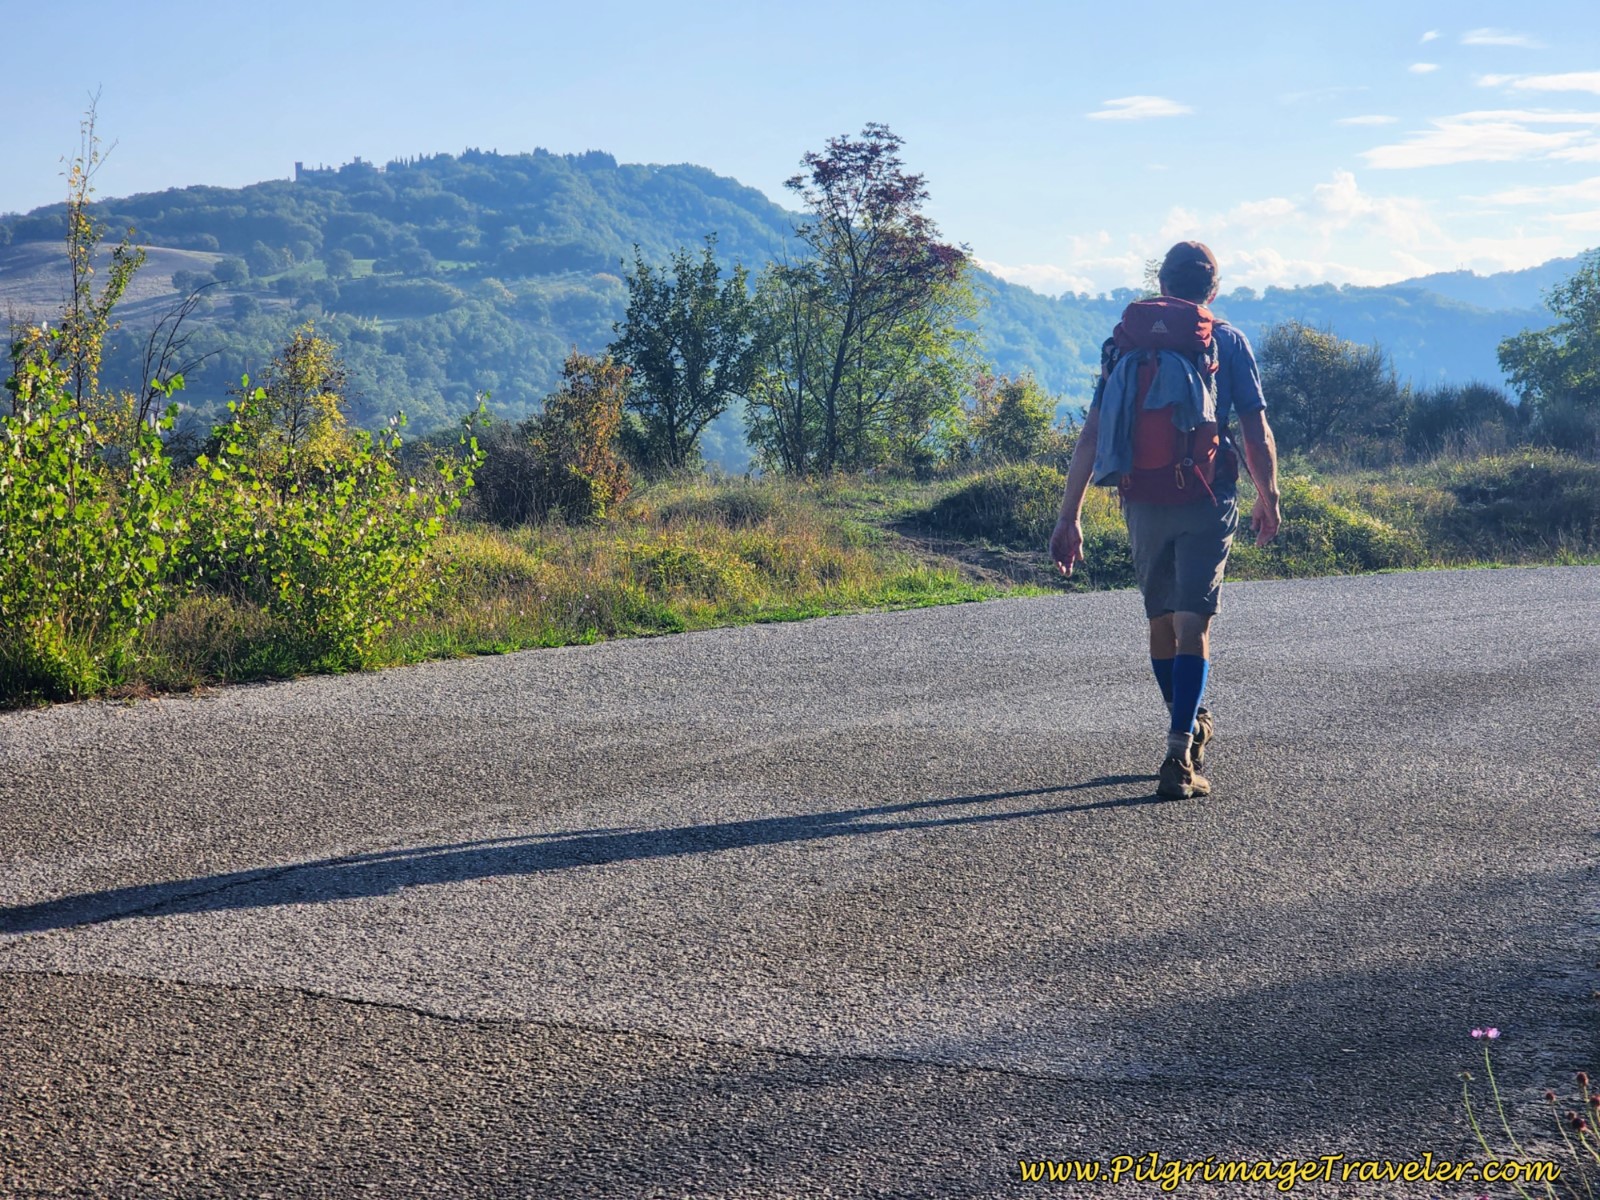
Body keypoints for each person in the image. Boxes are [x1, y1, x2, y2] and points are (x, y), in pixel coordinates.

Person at [1049, 241, 1281, 799]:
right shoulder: (1227, 340)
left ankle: (1189, 723)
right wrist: (1268, 495)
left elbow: (1093, 434)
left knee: (1161, 621)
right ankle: (1180, 752)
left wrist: (1069, 515)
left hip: (1143, 497)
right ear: (1213, 288)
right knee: (1193, 623)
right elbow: (1255, 430)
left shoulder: (1123, 344)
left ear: (1162, 284)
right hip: (1206, 496)